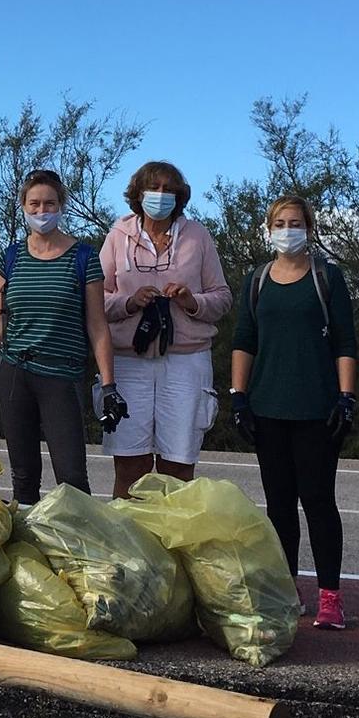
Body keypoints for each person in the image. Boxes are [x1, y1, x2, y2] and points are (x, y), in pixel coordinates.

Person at [229, 196, 359, 630]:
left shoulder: (327, 278)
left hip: (317, 409)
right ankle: (287, 589)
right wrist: (239, 396)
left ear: (310, 227)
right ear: (269, 229)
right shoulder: (257, 280)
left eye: (297, 222)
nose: (289, 229)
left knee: (319, 502)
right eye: (281, 223)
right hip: (268, 408)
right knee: (279, 506)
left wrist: (346, 396)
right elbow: (244, 339)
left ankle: (331, 597)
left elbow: (344, 341)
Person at [0, 170, 125, 504]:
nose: (42, 210)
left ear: (61, 206)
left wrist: (109, 385)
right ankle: (29, 551)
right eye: (34, 204)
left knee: (71, 477)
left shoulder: (83, 257)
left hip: (61, 375)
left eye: (49, 203)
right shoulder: (10, 257)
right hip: (15, 372)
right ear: (23, 207)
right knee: (24, 476)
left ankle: (77, 549)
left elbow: (98, 325)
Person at [99, 161, 232, 498]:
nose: (160, 196)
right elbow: (95, 300)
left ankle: (174, 546)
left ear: (179, 197)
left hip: (186, 362)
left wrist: (192, 301)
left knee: (178, 467)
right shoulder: (117, 235)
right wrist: (129, 303)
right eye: (153, 188)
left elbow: (223, 298)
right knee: (130, 465)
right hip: (129, 362)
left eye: (168, 190)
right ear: (138, 194)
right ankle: (130, 545)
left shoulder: (197, 235)